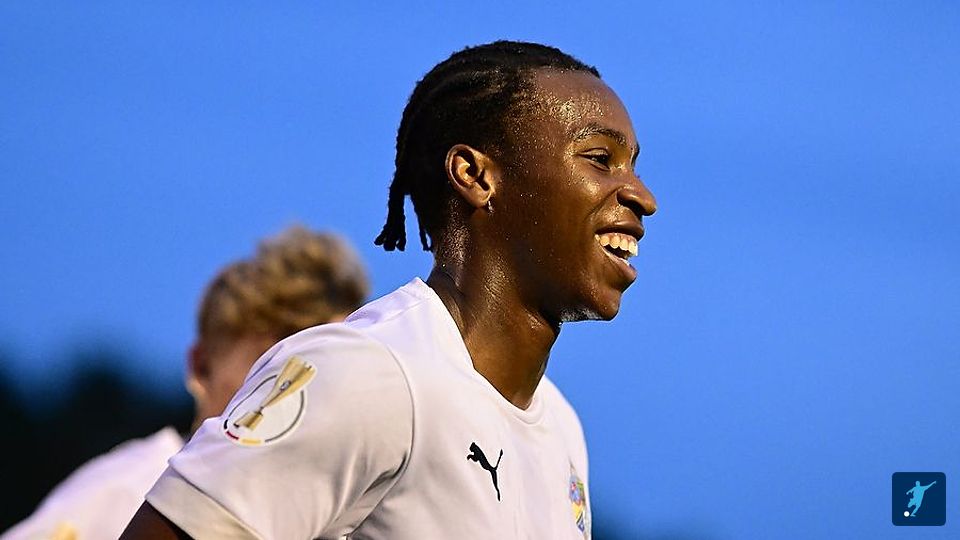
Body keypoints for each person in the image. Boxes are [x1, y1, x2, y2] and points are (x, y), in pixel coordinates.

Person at [121, 40, 657, 539]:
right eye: (600, 158)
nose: (641, 195)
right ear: (475, 176)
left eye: (633, 165)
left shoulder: (561, 427)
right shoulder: (368, 373)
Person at [4, 226, 369, 540]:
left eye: (322, 371)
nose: (295, 392)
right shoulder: (122, 494)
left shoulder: (352, 510)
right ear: (201, 367)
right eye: (268, 368)